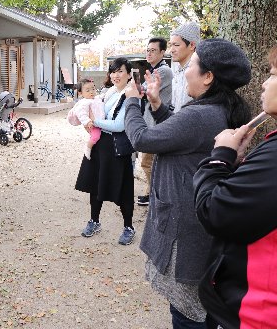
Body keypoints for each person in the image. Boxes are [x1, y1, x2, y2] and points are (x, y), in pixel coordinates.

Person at [123, 38, 252, 328]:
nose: (185, 72)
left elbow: (142, 139)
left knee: (187, 315)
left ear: (208, 76)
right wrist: (156, 104)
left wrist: (132, 100)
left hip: (186, 232)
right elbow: (182, 135)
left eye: (192, 66)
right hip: (200, 227)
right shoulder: (219, 109)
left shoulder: (201, 114)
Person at [193, 46, 277, 329]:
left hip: (257, 313)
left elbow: (215, 209)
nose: (265, 83)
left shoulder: (199, 116)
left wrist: (220, 157)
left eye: (273, 74)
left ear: (208, 77)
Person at [75, 58, 136, 246]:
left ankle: (128, 227)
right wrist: (88, 121)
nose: (115, 75)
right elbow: (89, 108)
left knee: (123, 189)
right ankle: (94, 220)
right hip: (102, 145)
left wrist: (94, 122)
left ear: (129, 73)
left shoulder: (131, 94)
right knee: (96, 185)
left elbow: (119, 126)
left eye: (120, 71)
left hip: (118, 148)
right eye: (113, 71)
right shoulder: (109, 91)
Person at [137, 37, 173, 206]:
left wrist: (129, 87)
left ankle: (154, 194)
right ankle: (150, 191)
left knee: (148, 162)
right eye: (148, 50)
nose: (149, 53)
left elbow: (142, 90)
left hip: (158, 123)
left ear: (162, 52)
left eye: (153, 50)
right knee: (150, 161)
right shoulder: (154, 70)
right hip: (153, 122)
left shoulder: (164, 71)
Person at [67, 78, 105, 160]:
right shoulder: (84, 103)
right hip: (92, 124)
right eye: (87, 90)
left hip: (100, 122)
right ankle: (88, 148)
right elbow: (81, 114)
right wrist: (87, 122)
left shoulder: (96, 98)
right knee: (96, 136)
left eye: (93, 89)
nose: (91, 92)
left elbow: (103, 96)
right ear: (81, 93)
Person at [169, 22, 201, 112]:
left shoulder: (199, 72)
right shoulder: (177, 70)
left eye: (176, 45)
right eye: (170, 45)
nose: (171, 50)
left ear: (192, 45)